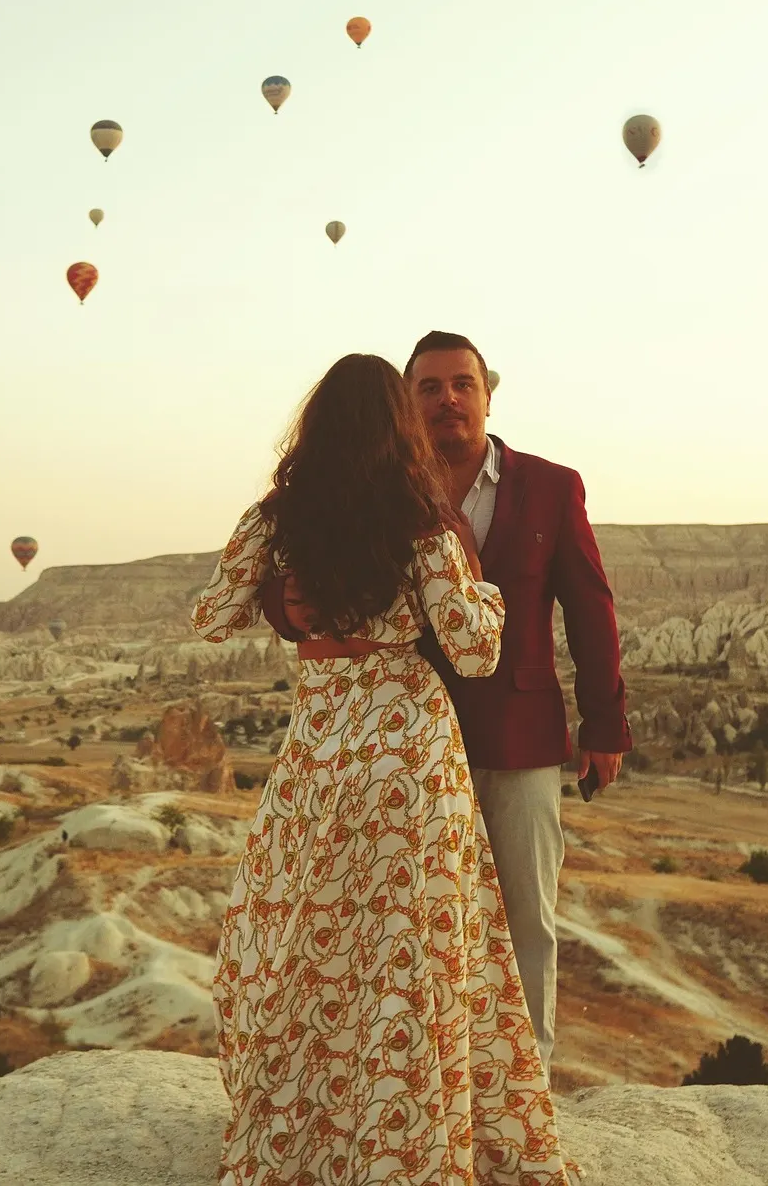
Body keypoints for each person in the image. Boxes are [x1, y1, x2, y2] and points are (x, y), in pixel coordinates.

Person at [191, 353, 568, 1186]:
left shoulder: (278, 516)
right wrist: (488, 596)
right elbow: (474, 651)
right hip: (409, 753)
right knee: (409, 954)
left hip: (320, 749)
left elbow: (211, 616)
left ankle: (312, 1131)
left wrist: (282, 599)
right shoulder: (423, 517)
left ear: (315, 425)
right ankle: (408, 1137)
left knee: (304, 941)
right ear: (401, 425)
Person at [264, 331, 631, 1074]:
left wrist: (604, 724)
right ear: (405, 403)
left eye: (462, 384)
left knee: (524, 915)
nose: (447, 400)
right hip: (402, 750)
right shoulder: (375, 488)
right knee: (405, 927)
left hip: (515, 739)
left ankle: (526, 1087)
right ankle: (424, 1084)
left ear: (488, 394)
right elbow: (297, 575)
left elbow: (590, 606)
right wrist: (290, 613)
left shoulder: (551, 486)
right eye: (427, 388)